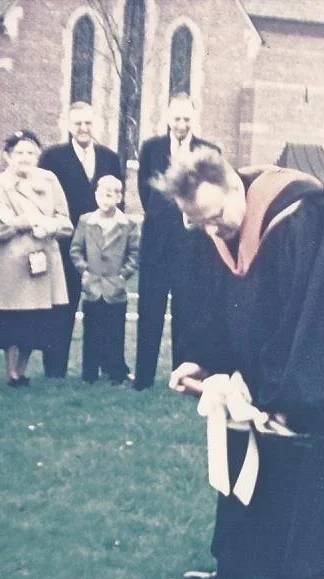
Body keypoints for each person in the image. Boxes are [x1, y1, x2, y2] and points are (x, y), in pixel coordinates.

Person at [159, 149, 324, 579]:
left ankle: (318, 576)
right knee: (251, 448)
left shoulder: (304, 215)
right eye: (199, 224)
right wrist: (205, 363)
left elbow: (322, 317)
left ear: (237, 187)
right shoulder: (219, 222)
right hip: (275, 373)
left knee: (319, 467)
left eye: (215, 218)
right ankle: (246, 566)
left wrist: (282, 393)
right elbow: (223, 305)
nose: (213, 231)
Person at [134, 93, 220, 390]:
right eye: (176, 118)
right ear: (168, 118)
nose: (181, 124)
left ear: (193, 118)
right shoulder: (151, 148)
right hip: (156, 243)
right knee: (150, 309)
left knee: (187, 313)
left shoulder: (209, 151)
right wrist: (164, 218)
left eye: (186, 118)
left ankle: (183, 378)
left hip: (192, 246)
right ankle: (143, 379)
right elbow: (146, 192)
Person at [0, 130, 73, 387]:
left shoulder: (49, 180)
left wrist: (49, 225)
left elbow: (66, 222)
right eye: (19, 152)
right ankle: (10, 371)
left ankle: (22, 369)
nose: (25, 158)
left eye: (31, 152)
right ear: (8, 156)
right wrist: (22, 222)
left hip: (42, 259)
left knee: (35, 319)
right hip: (13, 260)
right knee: (12, 318)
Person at [39, 102, 123, 380]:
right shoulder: (52, 158)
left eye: (88, 123)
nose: (83, 129)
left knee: (101, 311)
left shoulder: (110, 158)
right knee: (62, 307)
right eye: (78, 124)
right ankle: (55, 369)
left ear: (94, 124)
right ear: (68, 125)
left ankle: (100, 367)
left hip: (103, 249)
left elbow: (117, 203)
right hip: (65, 245)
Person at [69, 175, 139, 384]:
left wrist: (122, 275)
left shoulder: (127, 224)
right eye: (101, 194)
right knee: (91, 331)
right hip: (93, 285)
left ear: (119, 197)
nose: (104, 200)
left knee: (114, 332)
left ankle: (116, 371)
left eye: (110, 195)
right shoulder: (86, 220)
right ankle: (89, 373)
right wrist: (85, 271)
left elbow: (134, 254)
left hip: (114, 286)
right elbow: (75, 250)